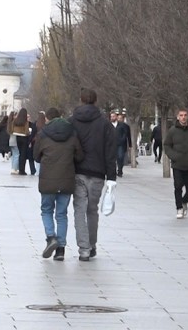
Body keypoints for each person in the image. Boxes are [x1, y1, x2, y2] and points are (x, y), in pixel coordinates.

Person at [68, 88, 117, 261]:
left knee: (79, 209)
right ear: (96, 101)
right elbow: (111, 151)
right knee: (92, 210)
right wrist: (112, 176)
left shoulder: (72, 121)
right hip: (97, 173)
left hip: (78, 171)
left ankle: (84, 249)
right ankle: (92, 244)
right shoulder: (105, 124)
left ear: (80, 100)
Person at [34, 108, 84, 261]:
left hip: (47, 179)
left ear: (47, 119)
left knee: (46, 210)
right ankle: (61, 249)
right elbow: (80, 156)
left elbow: (36, 157)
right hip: (66, 178)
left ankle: (51, 238)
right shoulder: (72, 134)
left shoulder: (42, 134)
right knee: (61, 214)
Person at [163, 108, 188, 219]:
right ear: (178, 117)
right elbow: (167, 145)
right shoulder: (172, 131)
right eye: (181, 115)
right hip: (177, 164)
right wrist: (173, 156)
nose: (183, 117)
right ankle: (179, 208)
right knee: (178, 186)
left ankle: (184, 201)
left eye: (185, 115)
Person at [12, 108, 30, 175]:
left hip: (17, 137)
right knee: (23, 154)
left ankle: (19, 169)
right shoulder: (25, 121)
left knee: (19, 153)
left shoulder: (16, 120)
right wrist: (29, 133)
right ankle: (22, 170)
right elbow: (26, 131)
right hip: (24, 138)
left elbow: (12, 128)